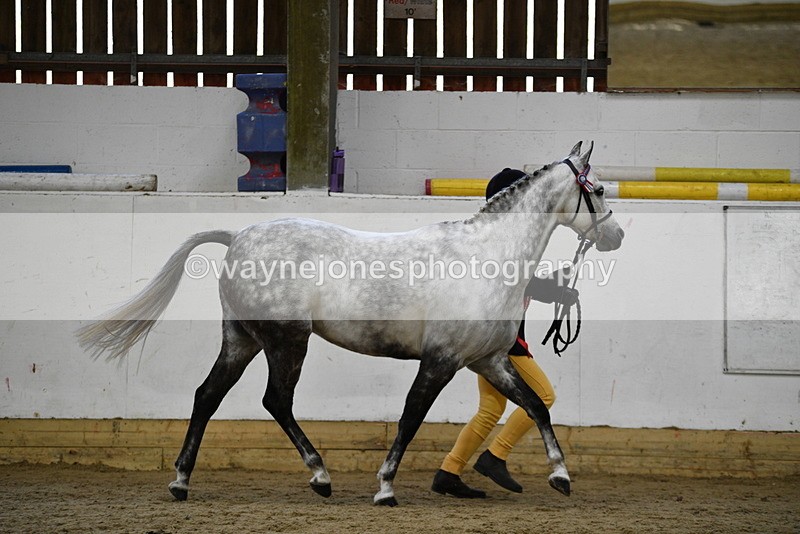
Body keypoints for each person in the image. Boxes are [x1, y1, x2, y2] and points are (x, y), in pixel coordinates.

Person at [431, 168, 578, 498]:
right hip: (504, 342)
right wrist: (556, 287)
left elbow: (521, 283)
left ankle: (449, 471)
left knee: (490, 410)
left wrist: (559, 282)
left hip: (493, 341)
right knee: (542, 397)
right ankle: (495, 457)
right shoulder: (500, 240)